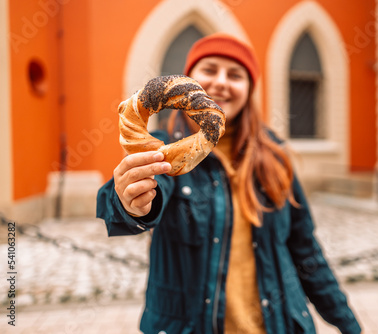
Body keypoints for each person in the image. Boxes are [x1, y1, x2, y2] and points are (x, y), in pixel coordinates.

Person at [97, 33, 361, 334]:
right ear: (190, 80)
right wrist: (131, 204)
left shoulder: (276, 159)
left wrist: (349, 325)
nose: (221, 81)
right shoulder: (165, 151)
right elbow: (128, 206)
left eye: (235, 75)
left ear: (249, 90)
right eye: (210, 70)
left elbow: (306, 250)